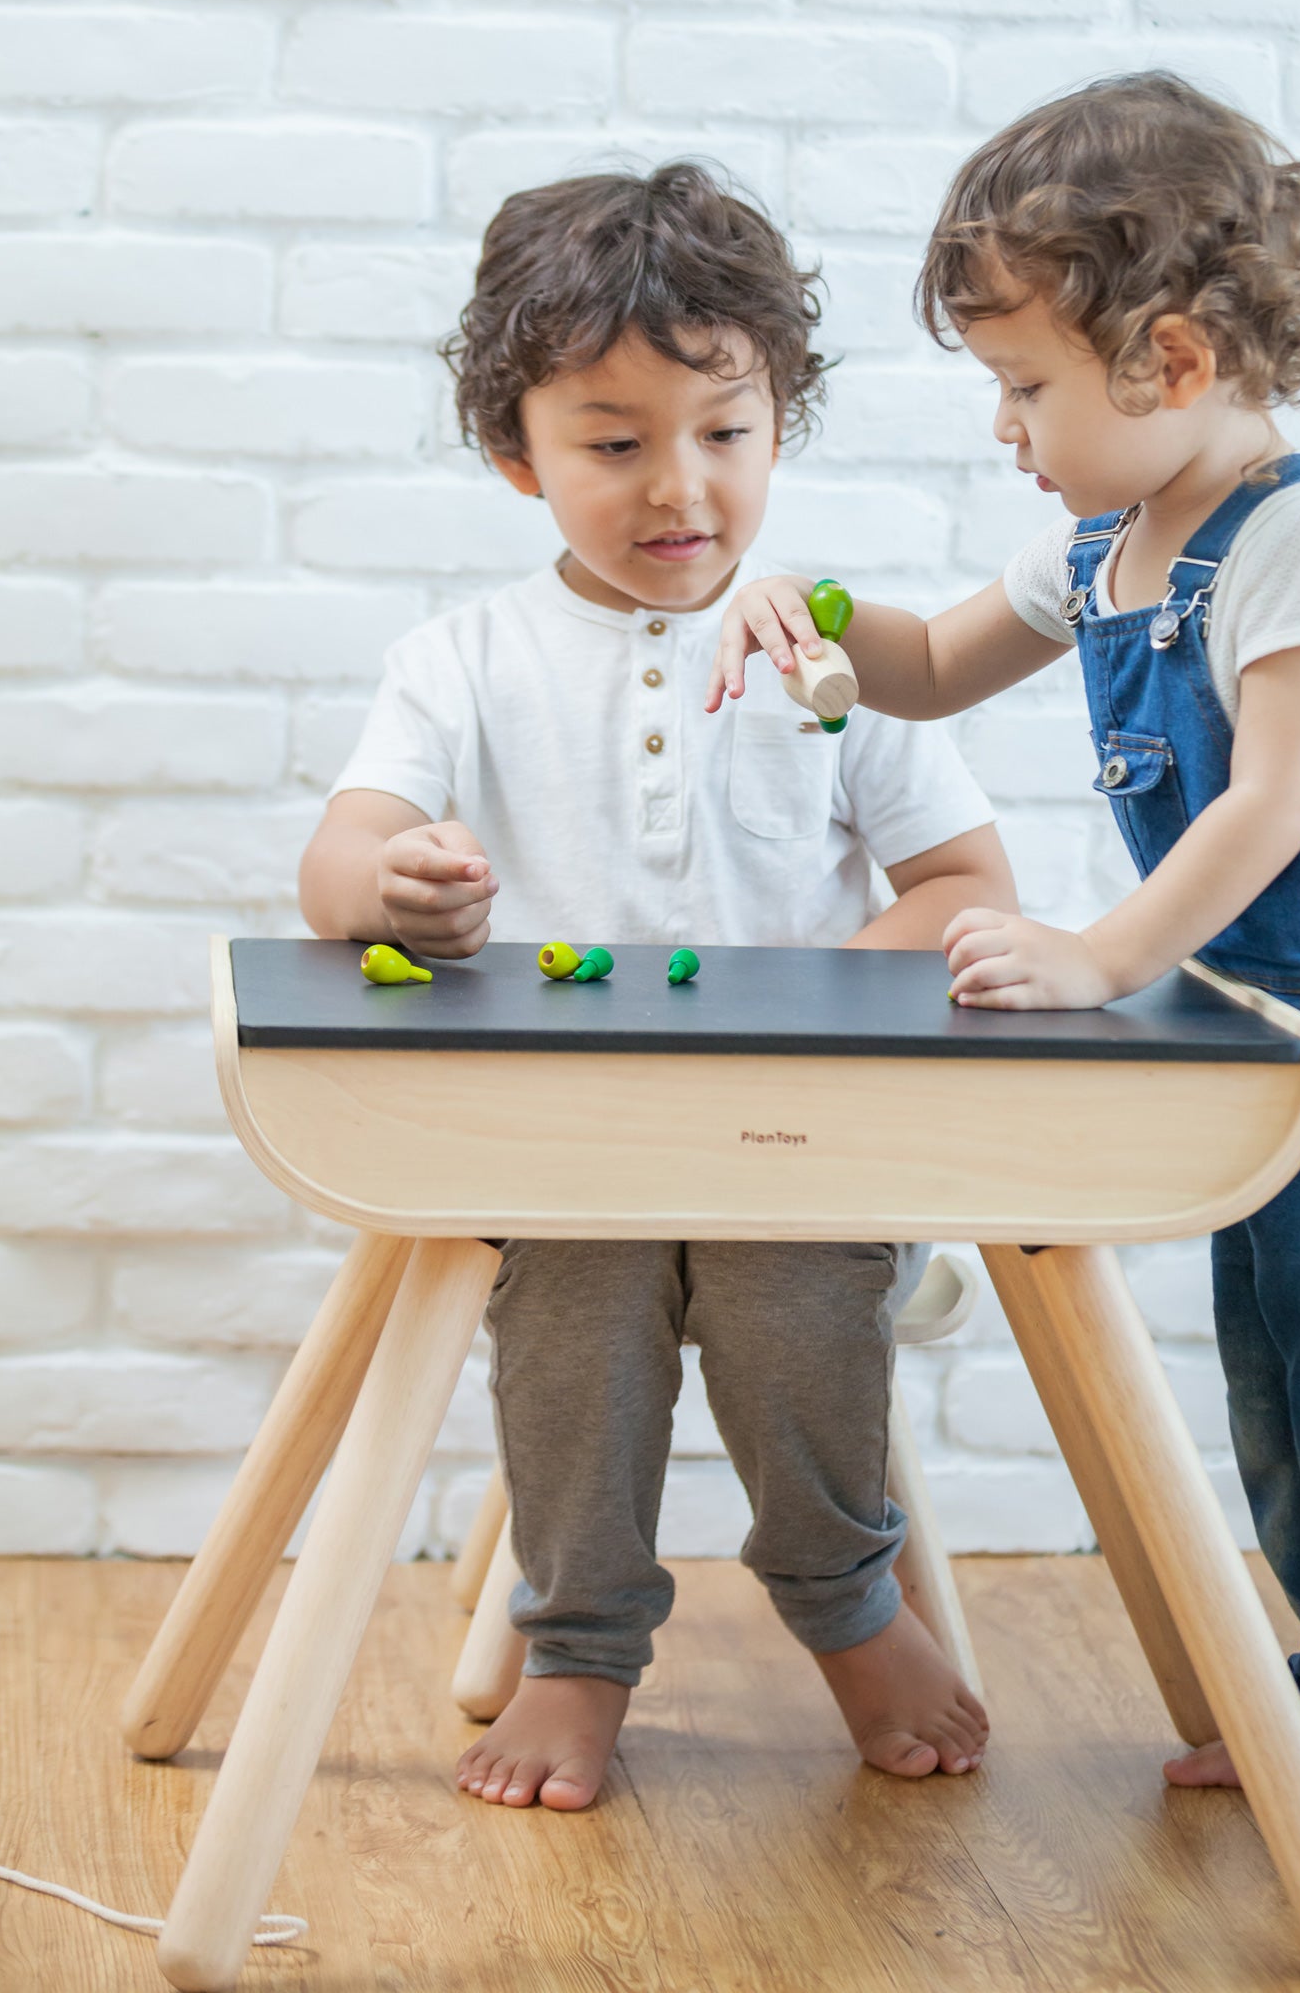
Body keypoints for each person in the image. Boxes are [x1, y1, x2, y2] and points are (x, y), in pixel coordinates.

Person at [709, 74, 1300, 1897]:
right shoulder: (1104, 547)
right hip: (1281, 1076)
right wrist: (807, 603)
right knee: (1286, 1421)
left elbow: (1269, 798)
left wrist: (1099, 954)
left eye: (1023, 387)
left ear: (1168, 358)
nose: (1006, 428)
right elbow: (927, 665)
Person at [300, 162, 1008, 1811]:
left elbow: (968, 891)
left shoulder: (841, 655)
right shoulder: (462, 662)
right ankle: (577, 1648)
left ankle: (846, 1602)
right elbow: (339, 861)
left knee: (789, 1309)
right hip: (570, 1152)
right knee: (574, 1322)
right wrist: (387, 887)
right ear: (515, 454)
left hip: (798, 1150)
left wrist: (816, 1008)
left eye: (724, 431)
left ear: (779, 427)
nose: (676, 484)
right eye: (612, 443)